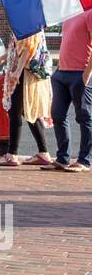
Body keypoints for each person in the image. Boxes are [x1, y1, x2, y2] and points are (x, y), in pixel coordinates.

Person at [0, 32, 52, 168]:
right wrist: (1, 59)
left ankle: (12, 155)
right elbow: (16, 48)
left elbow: (28, 49)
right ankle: (43, 153)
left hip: (25, 73)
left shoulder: (27, 24)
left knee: (15, 112)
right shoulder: (30, 22)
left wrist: (17, 72)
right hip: (27, 72)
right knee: (28, 111)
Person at [43, 9, 92, 172]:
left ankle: (85, 160)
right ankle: (63, 158)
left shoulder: (90, 13)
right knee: (57, 115)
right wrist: (58, 69)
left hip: (80, 73)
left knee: (84, 118)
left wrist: (86, 75)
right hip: (61, 73)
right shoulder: (69, 14)